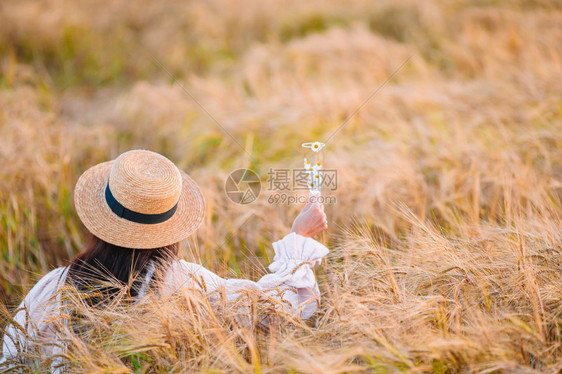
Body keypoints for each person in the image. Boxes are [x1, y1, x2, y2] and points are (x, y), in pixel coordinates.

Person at [1, 149, 329, 366]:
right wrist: (298, 239)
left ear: (100, 220)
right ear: (171, 228)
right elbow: (277, 307)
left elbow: (10, 361)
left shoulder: (53, 287)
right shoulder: (189, 285)